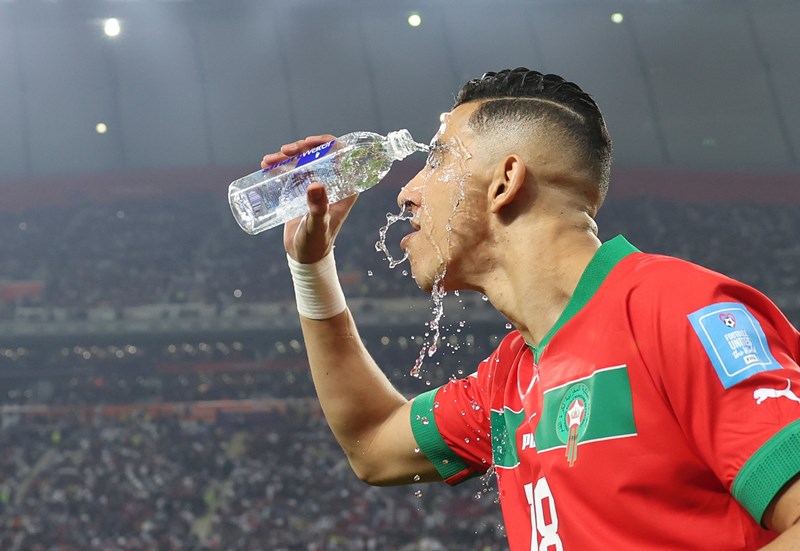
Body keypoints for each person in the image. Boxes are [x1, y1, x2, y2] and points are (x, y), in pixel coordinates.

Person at [261, 68, 800, 549]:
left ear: (505, 180)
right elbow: (374, 445)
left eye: (438, 159)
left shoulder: (674, 310)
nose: (406, 193)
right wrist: (311, 268)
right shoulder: (509, 377)